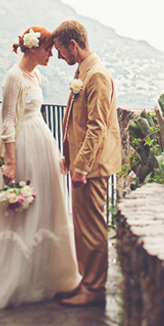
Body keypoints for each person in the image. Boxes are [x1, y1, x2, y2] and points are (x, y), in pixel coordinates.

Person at [0, 26, 81, 308]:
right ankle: (14, 280)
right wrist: (11, 161)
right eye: (48, 49)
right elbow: (8, 122)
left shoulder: (36, 74)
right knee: (22, 214)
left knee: (45, 210)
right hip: (24, 147)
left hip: (42, 144)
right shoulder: (13, 77)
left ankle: (45, 278)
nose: (51, 54)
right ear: (33, 48)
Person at [52, 20, 122, 307]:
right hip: (83, 165)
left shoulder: (97, 76)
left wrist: (80, 166)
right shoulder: (85, 72)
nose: (58, 57)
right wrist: (70, 158)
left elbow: (97, 127)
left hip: (92, 168)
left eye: (60, 51)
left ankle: (94, 289)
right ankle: (87, 282)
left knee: (92, 228)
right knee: (81, 226)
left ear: (73, 45)